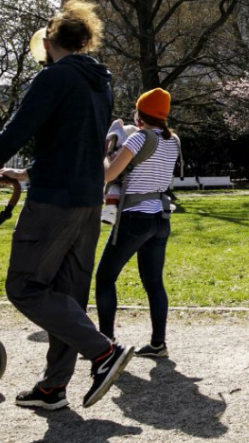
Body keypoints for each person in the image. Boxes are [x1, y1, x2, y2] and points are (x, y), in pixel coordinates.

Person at [0, 0, 133, 411]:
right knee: (66, 294)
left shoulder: (55, 77)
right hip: (87, 198)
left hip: (54, 202)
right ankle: (54, 387)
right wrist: (28, 173)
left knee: (25, 286)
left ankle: (102, 353)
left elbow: (18, 129)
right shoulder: (100, 82)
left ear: (51, 40)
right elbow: (74, 142)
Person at [96, 88, 180, 359]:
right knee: (154, 282)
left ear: (140, 115)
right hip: (160, 215)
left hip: (134, 216)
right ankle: (158, 343)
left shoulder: (138, 139)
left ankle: (106, 345)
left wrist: (107, 149)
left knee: (105, 278)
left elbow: (110, 173)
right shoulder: (174, 140)